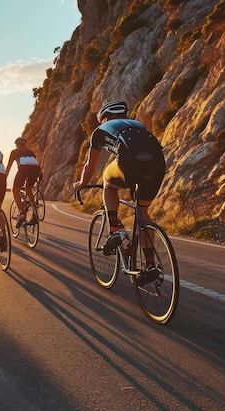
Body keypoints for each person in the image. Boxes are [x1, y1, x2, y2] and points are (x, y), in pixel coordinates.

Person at [73, 100, 166, 287]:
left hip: (130, 160)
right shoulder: (137, 125)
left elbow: (90, 166)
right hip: (157, 163)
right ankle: (150, 266)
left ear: (104, 117)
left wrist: (82, 183)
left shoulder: (100, 131)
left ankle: (115, 231)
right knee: (142, 211)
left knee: (108, 184)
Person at [5, 137, 42, 227]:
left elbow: (9, 167)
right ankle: (34, 212)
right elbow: (35, 163)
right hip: (36, 170)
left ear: (17, 145)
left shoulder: (14, 152)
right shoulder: (30, 152)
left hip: (24, 169)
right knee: (28, 187)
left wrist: (4, 178)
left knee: (15, 190)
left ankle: (21, 214)